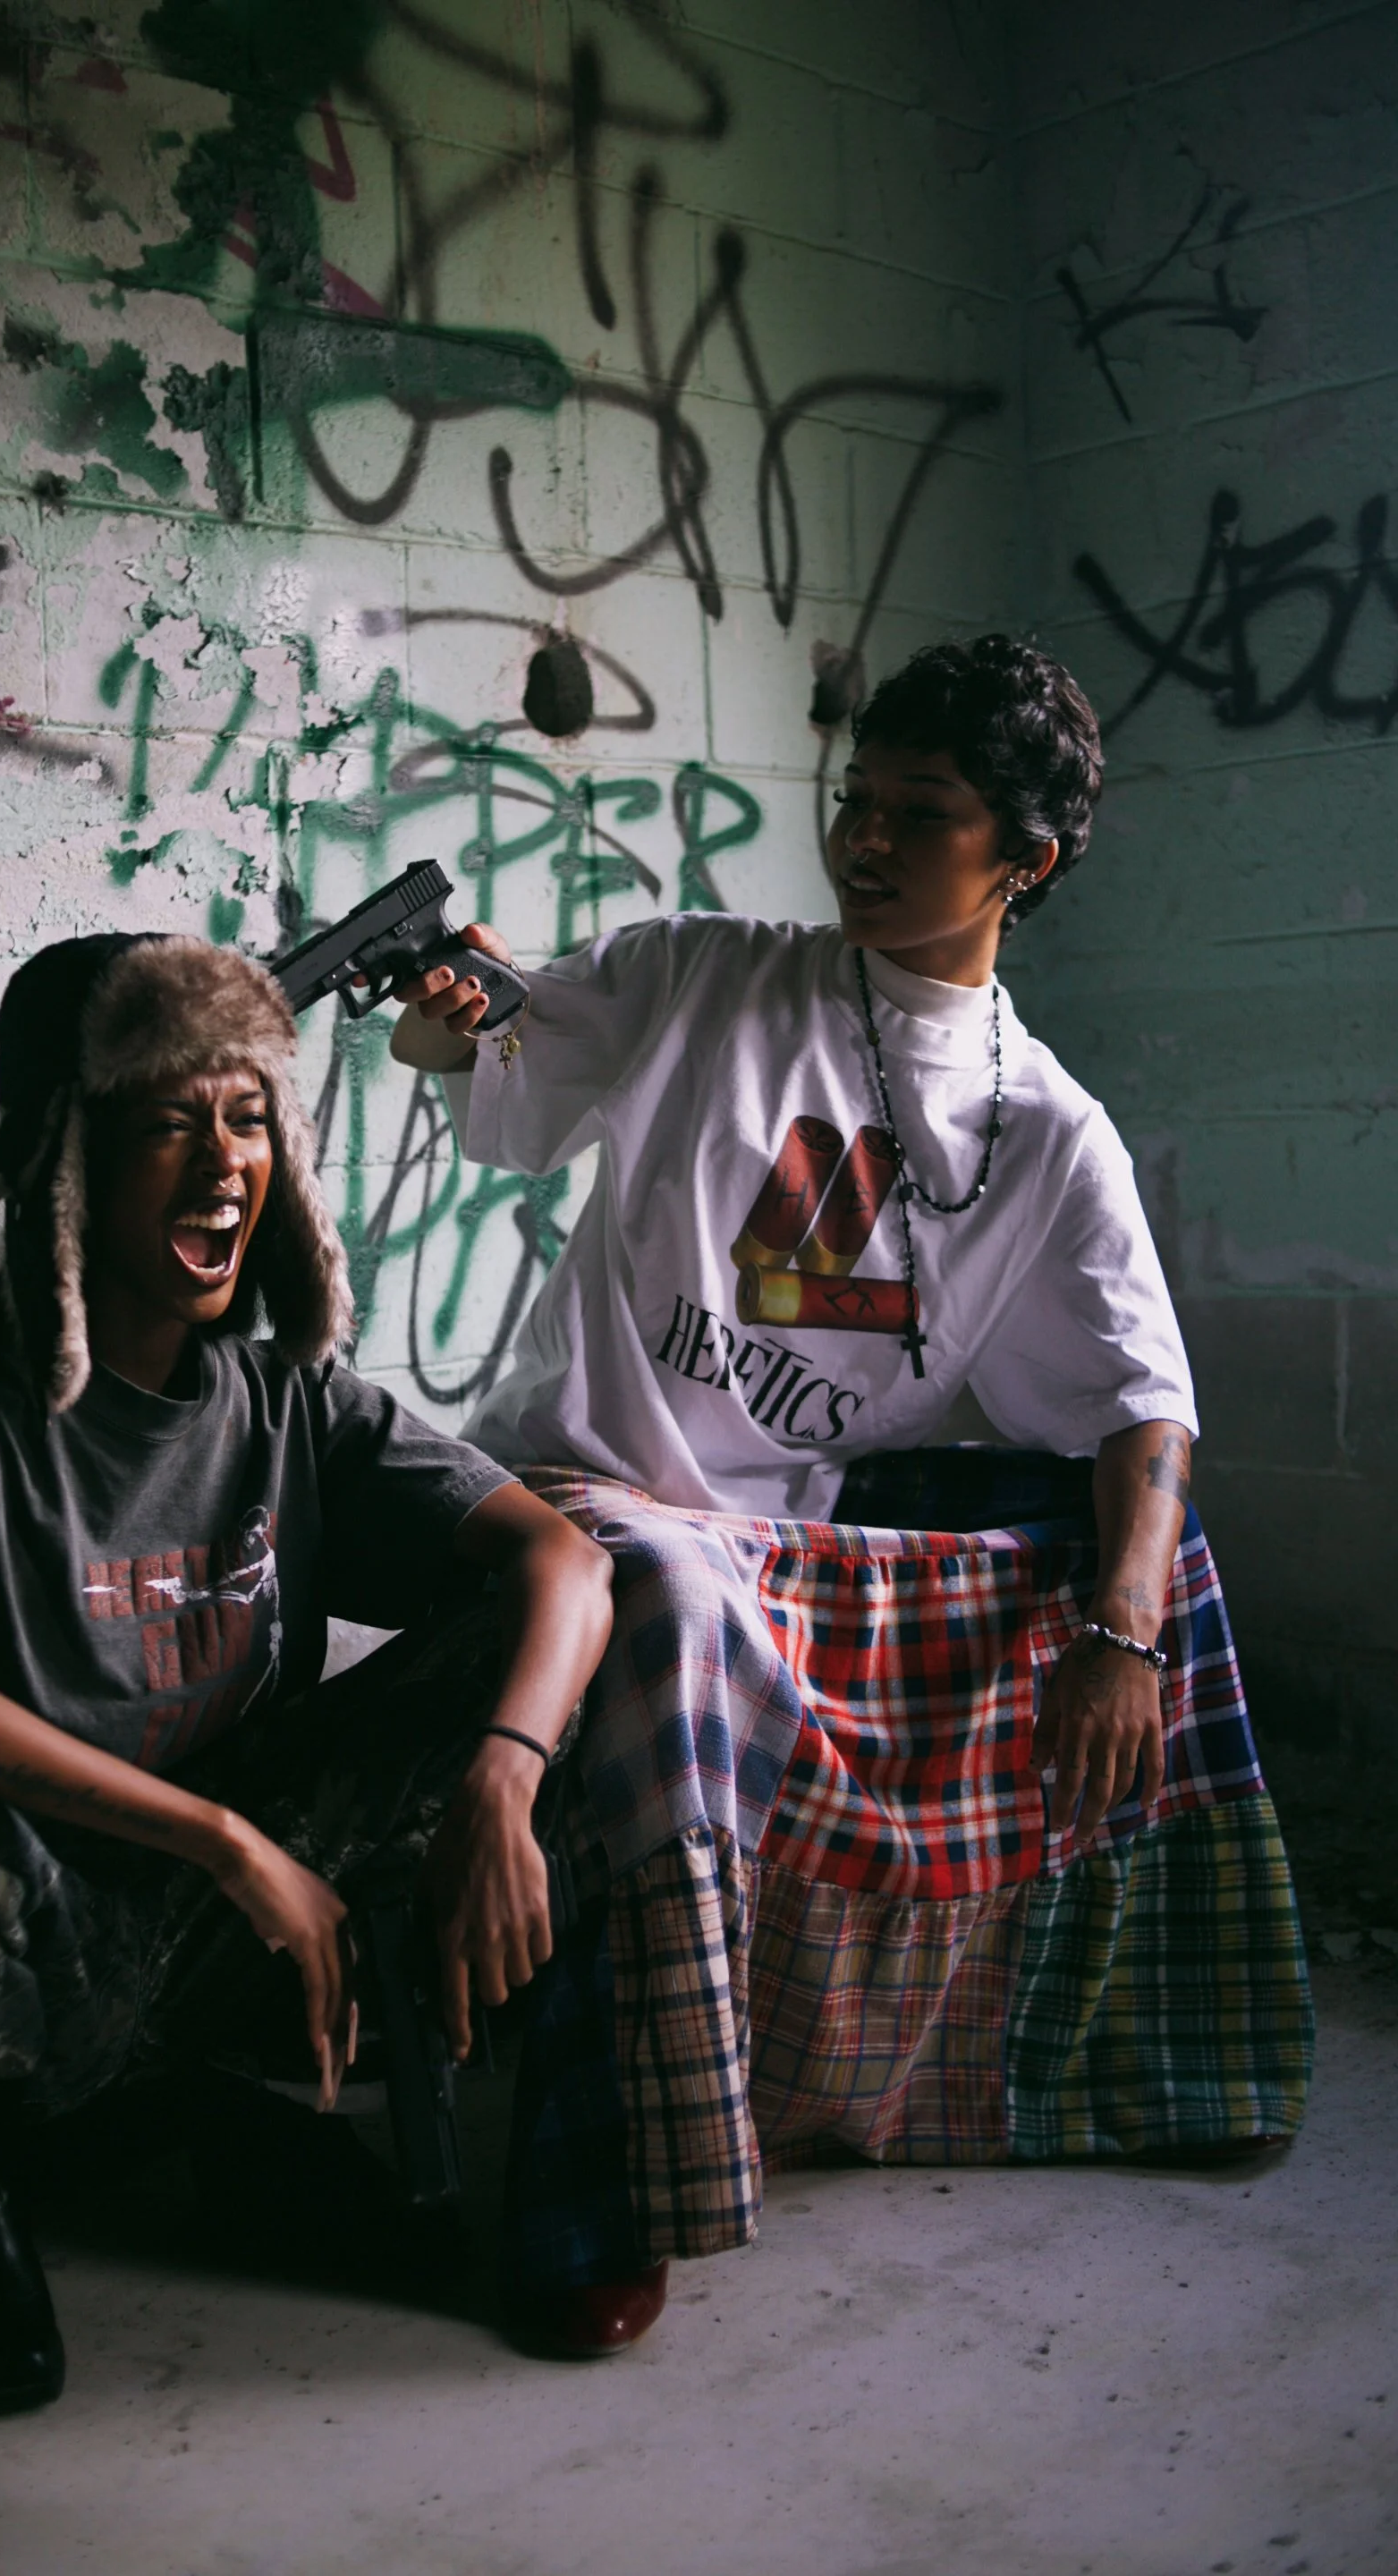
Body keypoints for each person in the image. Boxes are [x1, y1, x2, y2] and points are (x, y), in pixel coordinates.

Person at [391, 632, 1313, 2352]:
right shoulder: (698, 978)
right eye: (857, 803)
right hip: (584, 1503)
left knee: (1151, 1579)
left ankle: (1149, 2051)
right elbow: (508, 1093)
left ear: (1022, 862)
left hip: (780, 1539)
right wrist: (456, 1028)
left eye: (924, 815)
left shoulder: (1047, 1136)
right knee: (669, 1603)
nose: (866, 843)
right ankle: (605, 2191)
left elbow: (1142, 1408)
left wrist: (1117, 1630)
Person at [0, 931, 614, 2415]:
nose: (222, 1166)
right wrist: (214, 1840)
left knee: (592, 1621)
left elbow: (567, 1562)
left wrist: (502, 1783)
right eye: (166, 1121)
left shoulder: (292, 1403)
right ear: (70, 1159)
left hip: (247, 1942)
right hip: (65, 1928)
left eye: (248, 1118)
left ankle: (232, 2111)